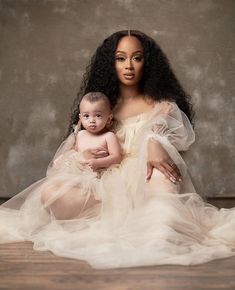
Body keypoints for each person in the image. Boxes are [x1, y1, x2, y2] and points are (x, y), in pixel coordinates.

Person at [0, 30, 234, 270]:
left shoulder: (162, 105)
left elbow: (170, 131)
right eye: (121, 58)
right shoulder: (101, 107)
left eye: (137, 58)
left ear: (147, 63)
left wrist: (153, 143)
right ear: (110, 63)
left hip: (144, 175)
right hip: (107, 182)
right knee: (51, 192)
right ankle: (119, 218)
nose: (129, 66)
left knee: (162, 176)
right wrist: (84, 156)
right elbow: (70, 150)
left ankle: (150, 219)